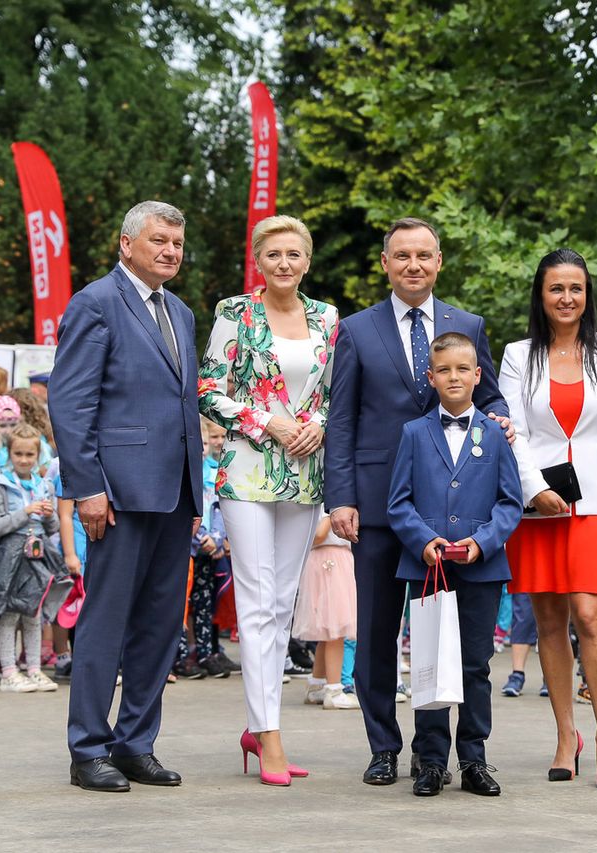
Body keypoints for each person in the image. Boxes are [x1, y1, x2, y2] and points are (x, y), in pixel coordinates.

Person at [324, 217, 510, 787]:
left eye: (424, 255)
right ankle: (384, 746)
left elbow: (491, 392)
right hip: (382, 507)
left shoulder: (467, 324)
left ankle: (452, 753)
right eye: (402, 255)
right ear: (386, 263)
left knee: (452, 641)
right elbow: (342, 418)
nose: (413, 265)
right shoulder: (357, 329)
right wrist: (342, 497)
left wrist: (500, 416)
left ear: (438, 262)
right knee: (378, 634)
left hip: (456, 521)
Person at [50, 200, 204, 793]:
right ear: (126, 244)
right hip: (115, 496)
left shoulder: (181, 312)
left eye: (177, 243)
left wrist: (195, 488)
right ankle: (88, 748)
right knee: (105, 624)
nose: (170, 251)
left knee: (159, 629)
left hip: (175, 495)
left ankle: (135, 744)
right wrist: (87, 487)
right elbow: (70, 403)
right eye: (159, 240)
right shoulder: (95, 303)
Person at [197, 214, 338, 786]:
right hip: (248, 469)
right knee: (256, 600)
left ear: (307, 261)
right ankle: (269, 736)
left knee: (282, 604)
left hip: (305, 472)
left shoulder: (328, 318)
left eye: (294, 254)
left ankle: (263, 724)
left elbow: (334, 392)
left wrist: (320, 424)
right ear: (259, 260)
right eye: (274, 254)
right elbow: (208, 389)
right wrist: (268, 424)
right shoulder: (236, 313)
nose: (285, 263)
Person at [499, 248, 597, 790]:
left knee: (591, 614)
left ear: (588, 296)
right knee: (548, 620)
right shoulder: (518, 355)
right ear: (541, 295)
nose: (566, 298)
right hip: (541, 506)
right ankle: (567, 736)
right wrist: (534, 489)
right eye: (556, 288)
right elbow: (509, 431)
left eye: (576, 289)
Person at [387, 332, 524, 797]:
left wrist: (483, 543)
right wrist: (424, 540)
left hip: (482, 568)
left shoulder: (496, 432)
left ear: (477, 375)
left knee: (475, 666)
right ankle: (429, 760)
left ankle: (474, 759)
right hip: (428, 568)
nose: (453, 377)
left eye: (462, 369)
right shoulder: (413, 433)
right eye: (443, 370)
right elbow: (398, 503)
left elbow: (510, 503)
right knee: (428, 662)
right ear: (431, 377)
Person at [0, 424, 67, 693]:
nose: (23, 459)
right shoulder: (1, 484)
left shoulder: (43, 484)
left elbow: (53, 528)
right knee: (8, 615)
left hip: (38, 554)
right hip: (10, 555)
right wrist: (25, 512)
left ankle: (34, 670)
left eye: (29, 455)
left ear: (37, 455)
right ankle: (9, 672)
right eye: (18, 453)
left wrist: (47, 514)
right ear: (9, 453)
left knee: (33, 614)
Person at [174, 417, 234, 680]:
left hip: (210, 551)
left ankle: (207, 653)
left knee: (205, 602)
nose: (202, 448)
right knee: (180, 604)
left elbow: (220, 508)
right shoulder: (180, 473)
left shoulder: (213, 472)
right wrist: (200, 539)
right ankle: (181, 655)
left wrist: (218, 538)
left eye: (205, 442)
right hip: (187, 548)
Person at [296, 511, 358, 710]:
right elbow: (321, 532)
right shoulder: (332, 507)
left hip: (326, 559)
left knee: (327, 632)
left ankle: (316, 684)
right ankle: (334, 689)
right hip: (332, 562)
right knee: (336, 630)